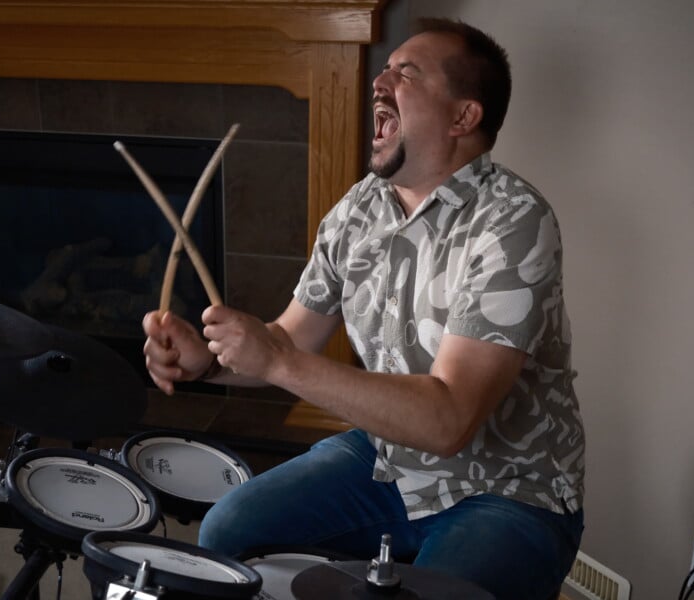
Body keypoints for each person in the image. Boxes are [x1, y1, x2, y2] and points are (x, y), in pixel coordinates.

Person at [142, 17, 584, 600]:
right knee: (229, 529)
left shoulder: (514, 221)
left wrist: (275, 359)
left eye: (406, 73)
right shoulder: (360, 209)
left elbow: (448, 422)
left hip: (506, 489)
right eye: (385, 67)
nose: (381, 80)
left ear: (463, 117)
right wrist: (210, 364)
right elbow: (291, 339)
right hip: (384, 461)